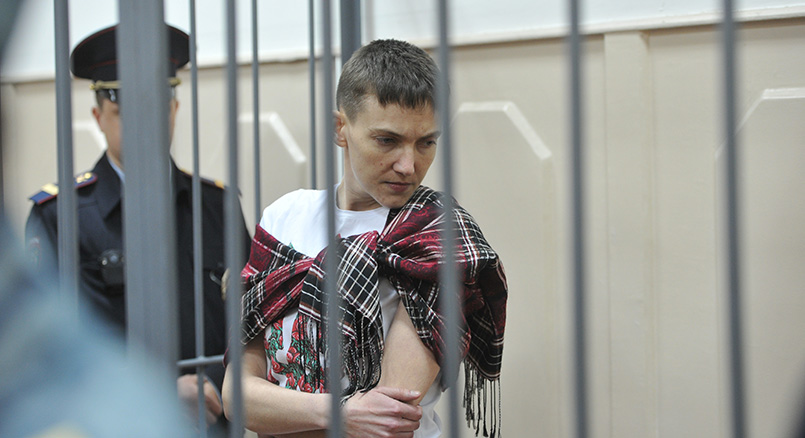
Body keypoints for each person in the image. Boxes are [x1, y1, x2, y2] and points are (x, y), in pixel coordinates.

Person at [222, 39, 508, 438]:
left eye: (426, 142)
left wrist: (284, 411)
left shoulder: (436, 235)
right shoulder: (283, 218)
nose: (408, 165)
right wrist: (341, 412)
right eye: (387, 140)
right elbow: (237, 399)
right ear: (341, 128)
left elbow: (387, 419)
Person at [23, 23, 251, 432]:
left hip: (211, 422)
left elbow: (252, 322)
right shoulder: (59, 217)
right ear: (99, 117)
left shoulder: (217, 207)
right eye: (127, 111)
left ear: (174, 109)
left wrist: (214, 384)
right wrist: (160, 393)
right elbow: (46, 347)